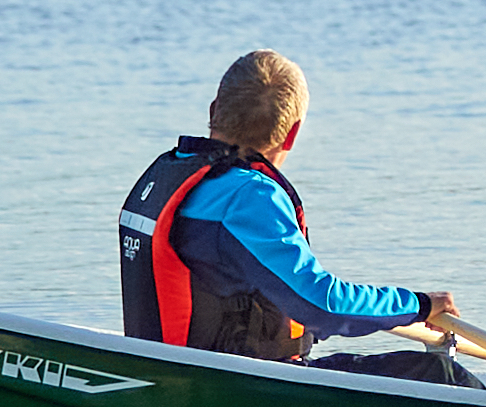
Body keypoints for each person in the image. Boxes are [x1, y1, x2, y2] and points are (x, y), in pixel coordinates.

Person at [118, 51, 465, 361]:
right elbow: (323, 305)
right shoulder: (247, 197)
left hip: (177, 372)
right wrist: (418, 304)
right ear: (292, 133)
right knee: (439, 374)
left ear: (213, 111)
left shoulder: (168, 174)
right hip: (241, 393)